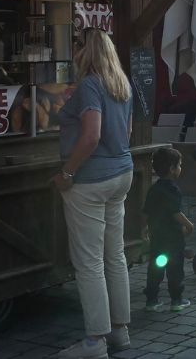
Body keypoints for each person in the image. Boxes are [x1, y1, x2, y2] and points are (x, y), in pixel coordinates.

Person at [53, 28, 136, 358]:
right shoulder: (121, 83)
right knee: (114, 255)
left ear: (85, 50)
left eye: (76, 46)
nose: (72, 52)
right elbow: (125, 132)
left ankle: (95, 340)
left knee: (88, 262)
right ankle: (120, 331)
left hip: (90, 179)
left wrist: (67, 172)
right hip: (121, 172)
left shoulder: (90, 83)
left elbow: (91, 135)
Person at [143, 147, 193, 313]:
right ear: (172, 169)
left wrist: (146, 231)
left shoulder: (153, 188)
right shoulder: (172, 189)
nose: (180, 168)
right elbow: (175, 212)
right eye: (179, 165)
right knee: (175, 269)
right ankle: (176, 300)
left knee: (155, 268)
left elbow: (146, 212)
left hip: (157, 238)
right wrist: (188, 225)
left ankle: (151, 300)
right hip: (173, 239)